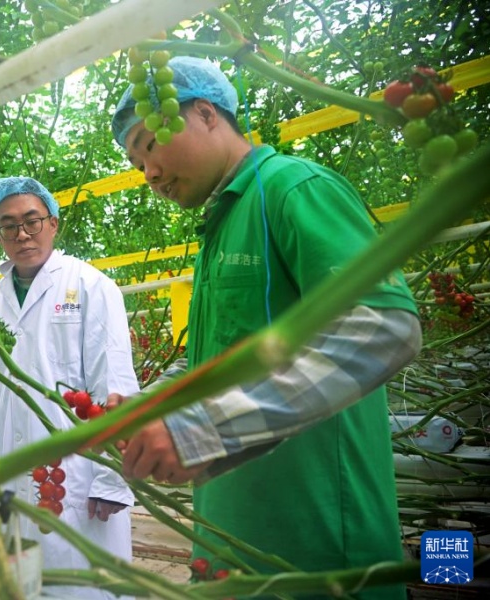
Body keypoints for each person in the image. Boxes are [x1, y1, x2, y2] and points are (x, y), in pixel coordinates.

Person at [108, 57, 422, 598]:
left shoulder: (292, 189)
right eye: (136, 164)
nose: (150, 174)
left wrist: (204, 431)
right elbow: (214, 357)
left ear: (206, 113)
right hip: (233, 547)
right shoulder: (221, 225)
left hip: (318, 553)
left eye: (150, 145)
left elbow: (384, 328)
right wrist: (152, 404)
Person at [0, 176, 139, 600]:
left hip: (76, 480)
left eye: (31, 221)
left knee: (85, 587)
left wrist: (111, 480)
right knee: (17, 586)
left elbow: (116, 383)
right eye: (8, 225)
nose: (22, 234)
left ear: (53, 223)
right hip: (7, 481)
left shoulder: (90, 286)